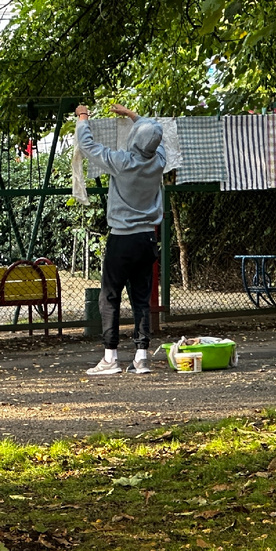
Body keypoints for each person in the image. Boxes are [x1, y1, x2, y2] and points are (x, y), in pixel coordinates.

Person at [75, 103, 166, 375]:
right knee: (141, 298)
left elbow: (89, 147)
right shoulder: (158, 160)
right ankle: (141, 358)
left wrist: (83, 117)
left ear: (135, 140)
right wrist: (132, 115)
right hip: (147, 239)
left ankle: (110, 357)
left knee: (110, 297)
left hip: (121, 239)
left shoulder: (122, 162)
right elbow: (155, 132)